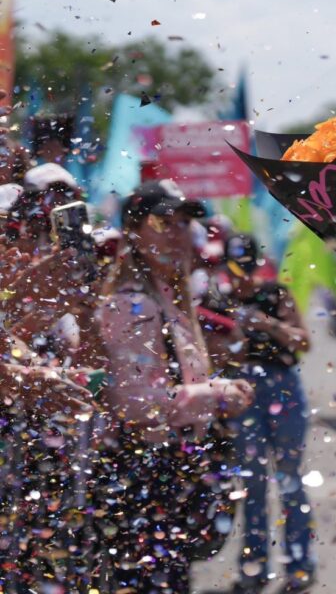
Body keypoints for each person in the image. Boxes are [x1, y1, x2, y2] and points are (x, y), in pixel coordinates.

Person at [96, 180, 253, 593]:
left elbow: (172, 384)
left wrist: (218, 386)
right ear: (133, 231)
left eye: (184, 223)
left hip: (169, 476)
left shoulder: (168, 299)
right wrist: (215, 395)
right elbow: (136, 406)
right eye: (165, 222)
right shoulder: (134, 303)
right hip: (141, 480)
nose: (179, 233)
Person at [217, 232, 316, 593]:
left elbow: (304, 342)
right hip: (243, 389)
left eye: (245, 268)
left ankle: (300, 565)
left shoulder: (276, 294)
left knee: (289, 479)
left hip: (282, 385)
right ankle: (254, 566)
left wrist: (267, 323)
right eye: (234, 269)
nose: (241, 277)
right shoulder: (222, 301)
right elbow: (218, 353)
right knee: (253, 484)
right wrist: (235, 334)